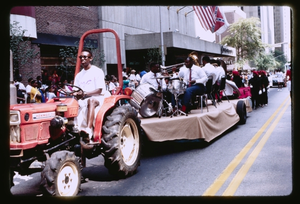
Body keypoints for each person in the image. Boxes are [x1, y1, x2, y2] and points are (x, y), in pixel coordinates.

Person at [73, 48, 111, 142]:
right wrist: (76, 94)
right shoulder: (79, 75)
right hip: (83, 98)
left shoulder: (97, 71)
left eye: (85, 57)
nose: (82, 59)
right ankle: (73, 129)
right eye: (80, 57)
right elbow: (75, 89)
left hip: (98, 97)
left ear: (91, 58)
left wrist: (84, 93)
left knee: (91, 101)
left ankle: (88, 130)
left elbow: (99, 90)